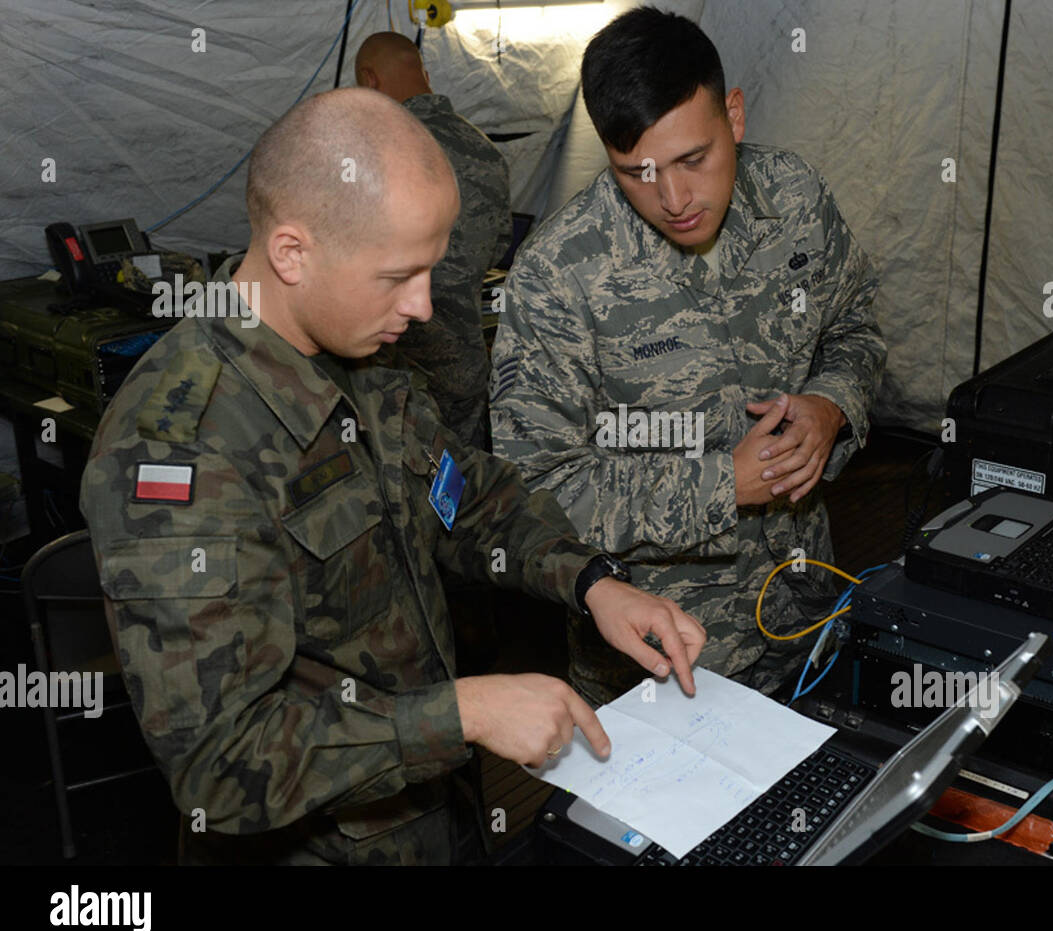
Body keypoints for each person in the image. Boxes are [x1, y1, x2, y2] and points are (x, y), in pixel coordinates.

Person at [79, 88, 705, 865]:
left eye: (431, 271)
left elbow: (462, 497)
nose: (421, 307)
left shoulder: (363, 357)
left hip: (436, 812)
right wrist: (463, 711)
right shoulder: (179, 449)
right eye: (398, 275)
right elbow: (221, 762)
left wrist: (592, 581)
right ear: (292, 252)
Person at [490, 7, 888, 706]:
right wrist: (719, 485)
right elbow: (533, 494)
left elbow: (855, 325)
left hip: (807, 617)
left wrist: (832, 405)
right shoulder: (559, 274)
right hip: (666, 665)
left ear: (733, 116)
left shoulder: (793, 200)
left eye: (692, 160)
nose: (673, 199)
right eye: (636, 172)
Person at [355, 30, 511, 451]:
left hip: (394, 364)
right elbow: (498, 247)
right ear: (424, 74)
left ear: (370, 80)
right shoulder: (486, 150)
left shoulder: (372, 151)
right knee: (461, 481)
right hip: (464, 357)